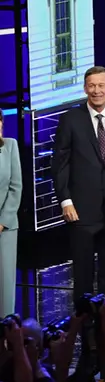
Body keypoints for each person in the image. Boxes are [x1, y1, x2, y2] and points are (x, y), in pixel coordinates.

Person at [52, 66, 105, 327]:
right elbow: (60, 164)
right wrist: (65, 200)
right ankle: (84, 328)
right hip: (81, 210)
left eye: (102, 85)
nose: (97, 90)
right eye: (92, 85)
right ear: (85, 88)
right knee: (83, 275)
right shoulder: (71, 119)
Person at [0, 116, 22, 316]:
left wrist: (3, 221)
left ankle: (6, 334)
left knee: (5, 284)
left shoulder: (10, 146)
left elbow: (16, 187)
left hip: (4, 228)